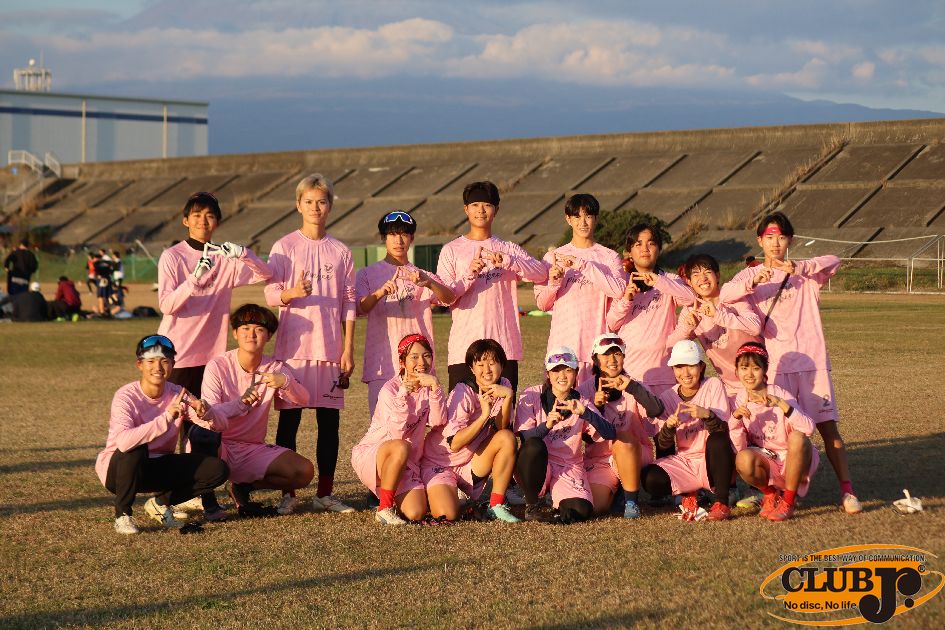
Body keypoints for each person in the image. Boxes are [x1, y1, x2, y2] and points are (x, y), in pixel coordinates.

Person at [722, 211, 862, 515]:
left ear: (790, 241)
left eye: (782, 237)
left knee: (827, 428)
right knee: (777, 430)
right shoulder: (751, 275)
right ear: (760, 240)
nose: (775, 243)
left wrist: (801, 267)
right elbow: (725, 293)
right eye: (769, 237)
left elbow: (834, 261)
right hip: (777, 366)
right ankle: (774, 491)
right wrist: (752, 281)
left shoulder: (805, 273)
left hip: (812, 364)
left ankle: (847, 491)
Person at [157, 191, 271, 519]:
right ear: (185, 220)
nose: (203, 222)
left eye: (209, 216)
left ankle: (201, 494)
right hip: (179, 354)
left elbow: (265, 274)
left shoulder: (223, 258)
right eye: (197, 216)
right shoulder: (172, 256)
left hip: (212, 356)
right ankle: (169, 495)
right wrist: (194, 279)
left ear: (217, 222)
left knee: (205, 426)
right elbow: (167, 304)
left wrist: (244, 253)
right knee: (174, 426)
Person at [264, 174, 356, 515]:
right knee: (289, 422)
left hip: (330, 350)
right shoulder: (284, 247)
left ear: (329, 206)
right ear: (298, 205)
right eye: (309, 201)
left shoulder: (341, 251)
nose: (315, 207)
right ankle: (287, 493)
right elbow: (270, 292)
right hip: (293, 351)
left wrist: (348, 348)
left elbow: (349, 302)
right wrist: (291, 293)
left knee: (329, 424)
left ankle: (325, 493)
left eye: (321, 201)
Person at [94, 335, 230, 534]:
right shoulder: (125, 395)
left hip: (157, 466)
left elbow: (221, 425)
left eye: (164, 361)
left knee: (218, 469)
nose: (157, 367)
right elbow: (123, 442)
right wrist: (166, 419)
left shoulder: (178, 393)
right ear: (140, 365)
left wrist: (206, 412)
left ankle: (160, 503)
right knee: (136, 447)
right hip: (119, 471)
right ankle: (123, 515)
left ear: (172, 365)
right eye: (150, 361)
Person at [201, 304, 315, 517]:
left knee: (304, 471)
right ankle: (207, 501)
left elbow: (303, 399)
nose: (251, 334)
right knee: (202, 438)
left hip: (250, 448)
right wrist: (240, 403)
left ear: (269, 336)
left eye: (259, 329)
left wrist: (285, 382)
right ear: (235, 333)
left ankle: (242, 487)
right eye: (245, 328)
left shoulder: (274, 367)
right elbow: (210, 415)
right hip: (218, 444)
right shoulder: (217, 366)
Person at [435, 181, 547, 391]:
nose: (481, 210)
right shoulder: (451, 250)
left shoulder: (508, 248)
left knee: (503, 410)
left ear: (496, 210)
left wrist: (508, 261)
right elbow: (444, 297)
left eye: (487, 205)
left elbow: (541, 273)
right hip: (464, 349)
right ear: (466, 209)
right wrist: (469, 274)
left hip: (504, 348)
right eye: (475, 205)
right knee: (463, 410)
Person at [356, 210, 454, 415]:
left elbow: (449, 298)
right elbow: (360, 308)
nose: (398, 240)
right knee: (383, 424)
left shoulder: (422, 275)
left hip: (419, 364)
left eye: (404, 234)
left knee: (420, 424)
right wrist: (380, 293)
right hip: (382, 364)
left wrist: (429, 283)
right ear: (383, 237)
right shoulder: (366, 274)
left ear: (412, 238)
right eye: (392, 234)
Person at [641, 340, 746, 521]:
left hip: (714, 461)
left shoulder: (712, 385)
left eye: (691, 365)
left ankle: (721, 502)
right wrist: (669, 428)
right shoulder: (668, 396)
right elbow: (663, 444)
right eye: (679, 367)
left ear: (701, 366)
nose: (685, 373)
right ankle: (689, 493)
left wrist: (707, 415)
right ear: (672, 369)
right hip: (686, 462)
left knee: (718, 440)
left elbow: (724, 430)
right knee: (649, 477)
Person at [421, 339, 521, 523]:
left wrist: (508, 397)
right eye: (480, 364)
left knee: (507, 438)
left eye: (492, 363)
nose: (487, 370)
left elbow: (501, 428)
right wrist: (484, 416)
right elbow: (454, 444)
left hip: (469, 462)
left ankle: (496, 505)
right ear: (472, 368)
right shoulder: (463, 391)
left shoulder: (504, 385)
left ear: (502, 365)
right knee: (448, 515)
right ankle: (435, 492)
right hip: (441, 462)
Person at [514, 346, 617, 524]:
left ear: (576, 373)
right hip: (537, 464)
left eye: (568, 370)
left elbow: (610, 433)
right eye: (556, 370)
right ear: (547, 374)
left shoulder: (581, 402)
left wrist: (586, 413)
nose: (562, 376)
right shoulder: (531, 395)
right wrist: (547, 426)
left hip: (568, 466)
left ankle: (557, 500)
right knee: (534, 446)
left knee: (581, 510)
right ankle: (532, 504)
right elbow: (524, 438)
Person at [351, 334, 444, 525]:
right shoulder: (390, 389)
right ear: (402, 362)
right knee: (401, 446)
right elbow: (396, 434)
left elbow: (437, 422)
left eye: (426, 356)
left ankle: (396, 495)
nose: (422, 362)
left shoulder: (429, 386)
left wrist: (436, 388)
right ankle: (384, 508)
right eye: (414, 357)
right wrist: (404, 395)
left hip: (408, 461)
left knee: (416, 512)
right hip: (377, 454)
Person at [534, 194, 626, 382]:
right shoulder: (553, 257)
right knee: (561, 399)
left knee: (596, 400)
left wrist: (583, 265)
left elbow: (619, 291)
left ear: (596, 218)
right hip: (562, 348)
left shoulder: (609, 257)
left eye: (588, 216)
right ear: (568, 219)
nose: (583, 222)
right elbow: (542, 305)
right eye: (577, 216)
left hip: (597, 347)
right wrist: (553, 283)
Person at [576, 334, 664, 519]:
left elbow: (656, 410)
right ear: (595, 359)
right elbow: (585, 437)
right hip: (600, 458)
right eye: (606, 355)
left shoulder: (634, 385)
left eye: (617, 354)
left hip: (635, 451)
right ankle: (618, 490)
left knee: (622, 440)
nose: (612, 360)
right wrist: (596, 408)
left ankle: (630, 501)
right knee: (597, 507)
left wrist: (632, 388)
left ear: (624, 357)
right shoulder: (584, 390)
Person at [732, 342, 819, 522]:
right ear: (736, 371)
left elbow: (809, 428)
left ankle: (788, 501)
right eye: (744, 368)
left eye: (756, 368)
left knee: (797, 437)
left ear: (765, 370)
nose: (749, 374)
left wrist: (781, 405)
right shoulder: (740, 399)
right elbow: (739, 448)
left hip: (792, 458)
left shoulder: (780, 394)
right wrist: (735, 419)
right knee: (743, 458)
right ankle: (771, 495)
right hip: (767, 459)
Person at [606, 223, 695, 395]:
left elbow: (690, 298)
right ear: (629, 252)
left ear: (659, 249)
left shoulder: (669, 280)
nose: (645, 249)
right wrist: (626, 300)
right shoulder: (622, 282)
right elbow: (611, 323)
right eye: (638, 244)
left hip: (664, 374)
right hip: (629, 373)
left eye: (651, 243)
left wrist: (659, 281)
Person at [667, 253, 761, 400]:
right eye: (696, 275)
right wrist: (687, 327)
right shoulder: (691, 310)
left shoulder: (732, 298)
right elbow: (670, 345)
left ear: (717, 275)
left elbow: (755, 327)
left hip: (761, 380)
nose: (703, 278)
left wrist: (719, 316)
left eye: (707, 272)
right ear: (689, 282)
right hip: (731, 389)